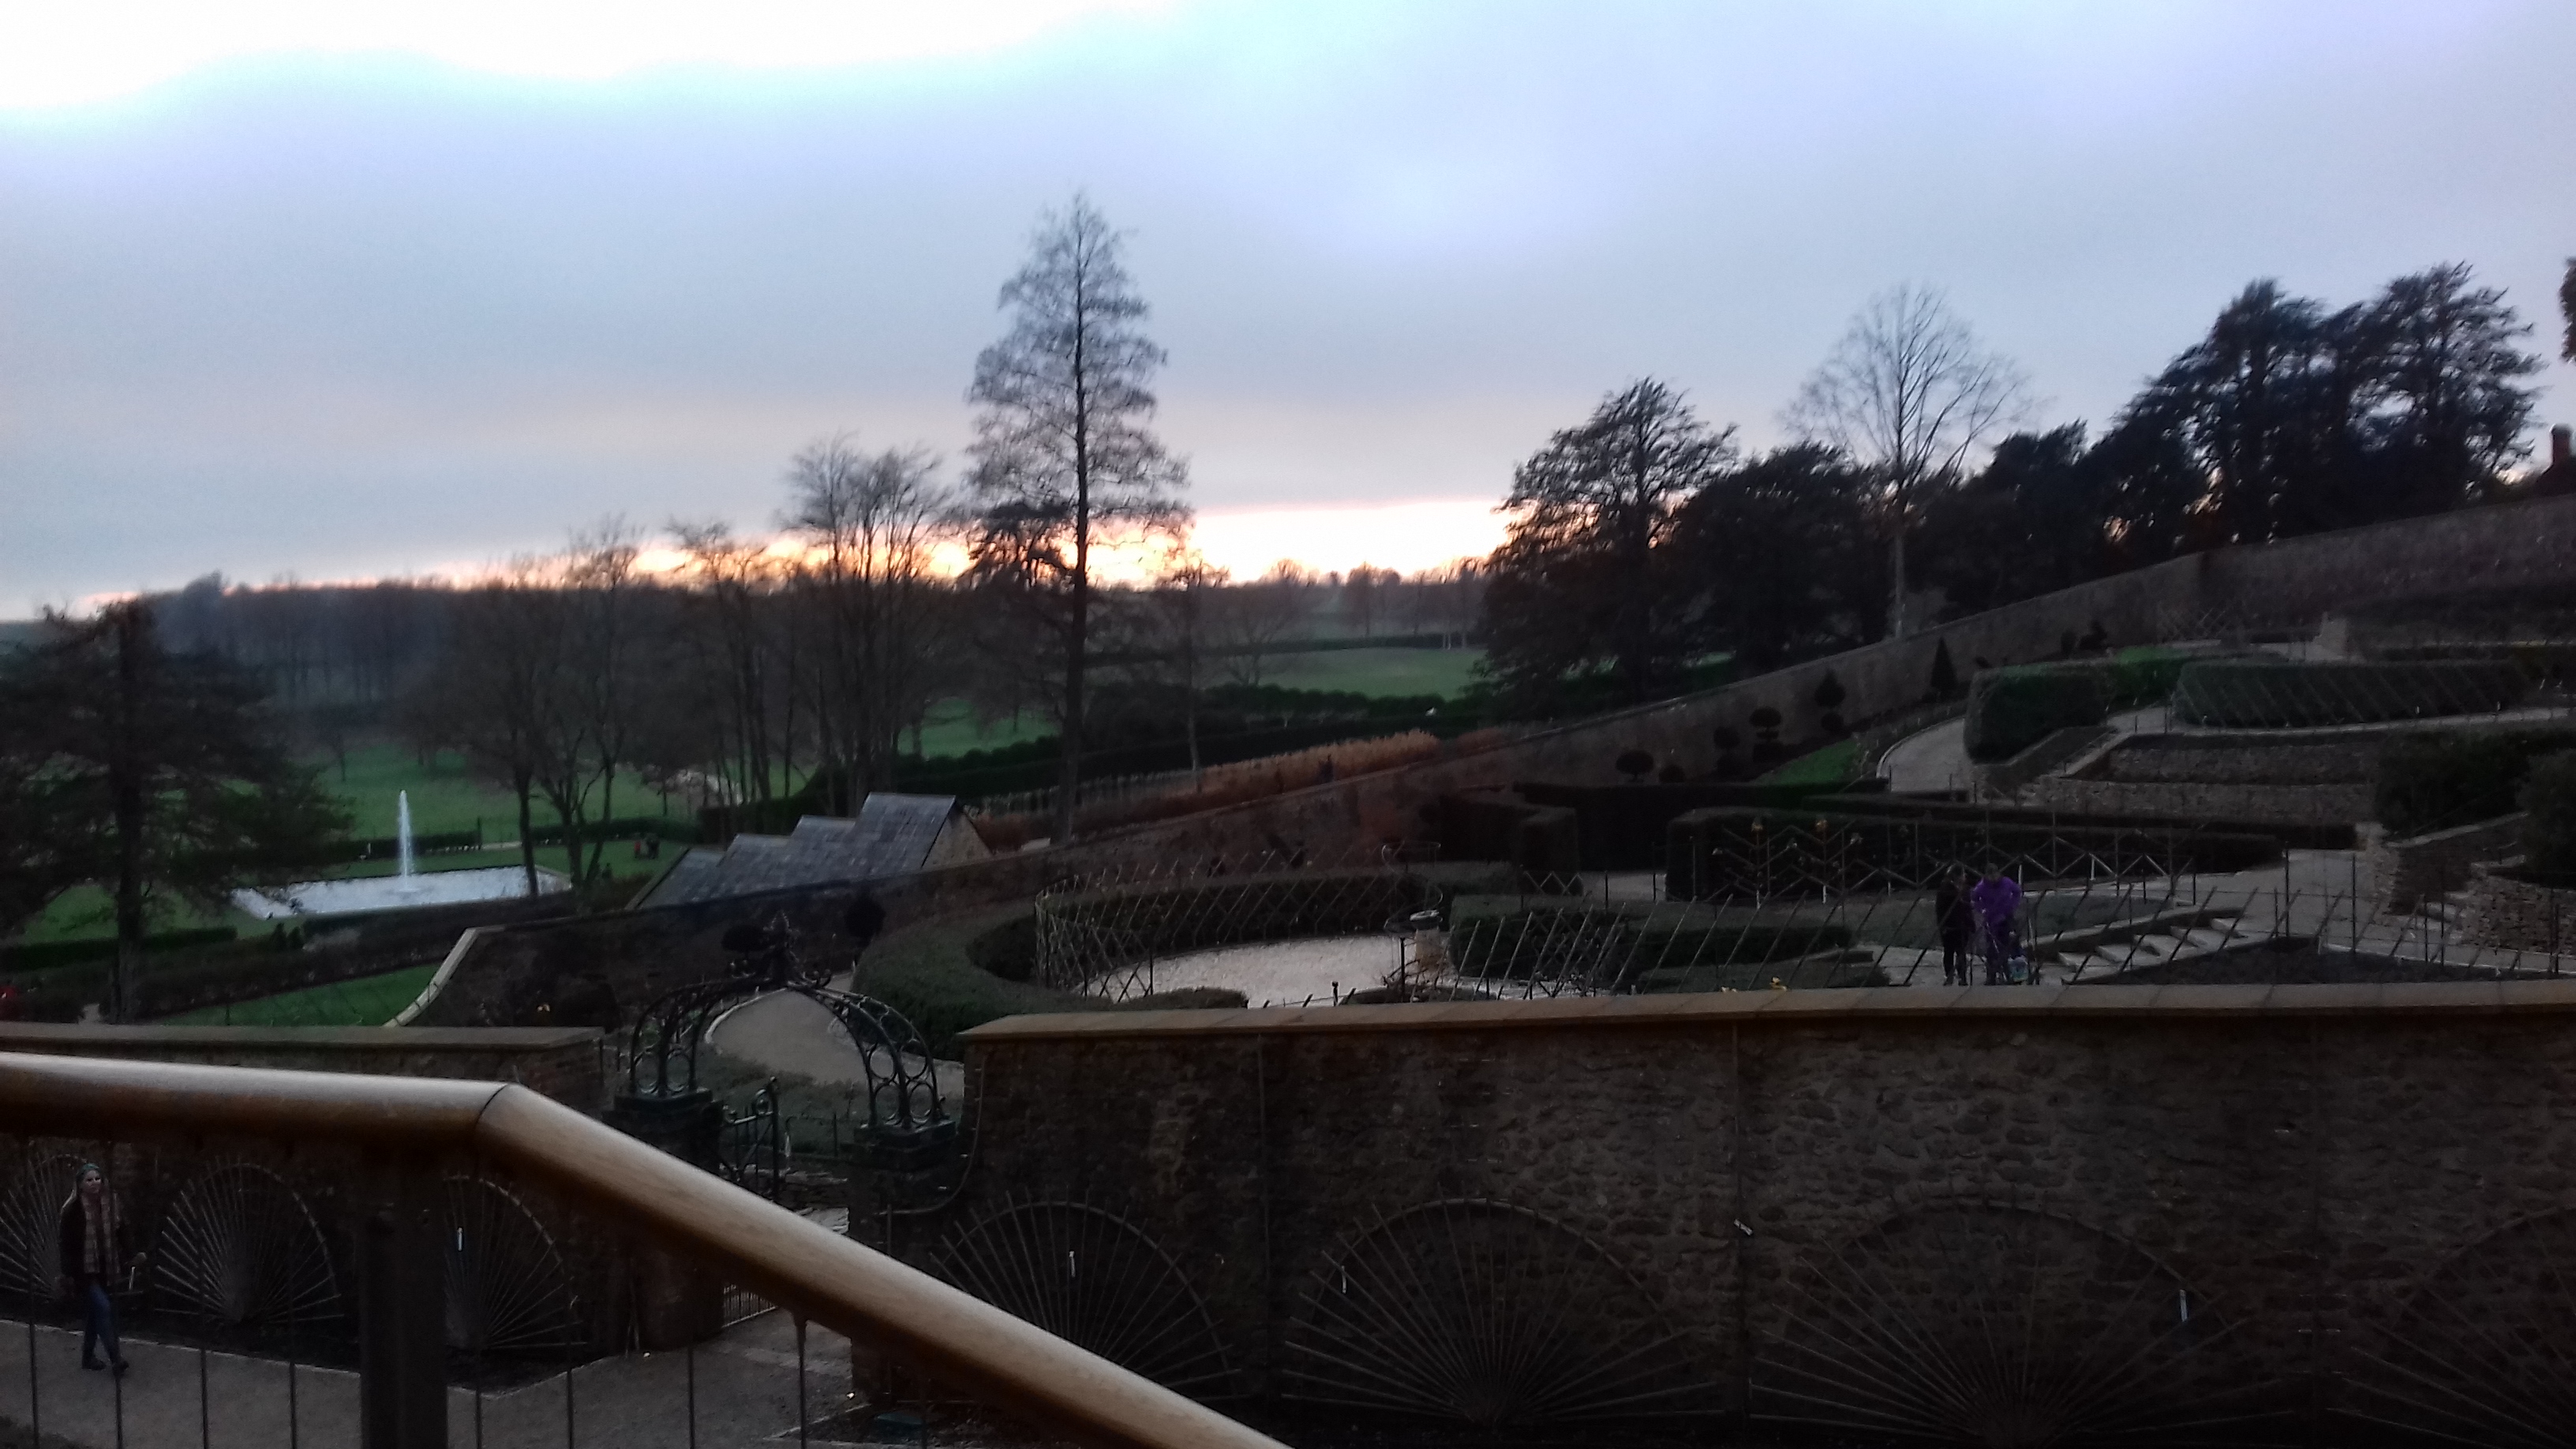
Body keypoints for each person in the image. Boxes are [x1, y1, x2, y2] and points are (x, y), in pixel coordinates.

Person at [56, 1163, 134, 1376]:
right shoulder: (72, 1210)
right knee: (104, 1307)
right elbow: (66, 1244)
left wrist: (132, 1254)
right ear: (81, 1185)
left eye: (97, 1179)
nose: (94, 1183)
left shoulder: (111, 1202)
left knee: (94, 1313)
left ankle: (87, 1357)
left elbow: (122, 1230)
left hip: (106, 1266)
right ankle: (116, 1359)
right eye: (89, 1180)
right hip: (83, 1271)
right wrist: (67, 1273)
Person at [1970, 864, 2024, 987]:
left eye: (1995, 874)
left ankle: (2014, 975)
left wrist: (2011, 905)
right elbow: (1974, 900)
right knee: (1992, 950)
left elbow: (2017, 892)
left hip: (2007, 918)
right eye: (1991, 875)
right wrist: (1982, 909)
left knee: (2011, 946)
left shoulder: (2006, 883)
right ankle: (1991, 976)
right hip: (1991, 921)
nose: (1994, 878)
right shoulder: (1981, 887)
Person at [1934, 868, 1975, 986]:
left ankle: (1962, 977)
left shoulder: (1964, 890)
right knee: (1949, 952)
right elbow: (1941, 910)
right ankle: (1949, 976)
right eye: (1963, 874)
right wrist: (1942, 926)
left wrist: (1971, 923)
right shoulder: (1945, 890)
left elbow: (1967, 909)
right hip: (1950, 926)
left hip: (1962, 926)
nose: (1965, 876)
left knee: (1961, 952)